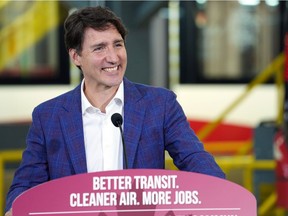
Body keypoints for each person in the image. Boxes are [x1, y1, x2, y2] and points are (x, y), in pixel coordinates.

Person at [4, 6, 225, 215]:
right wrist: (17, 206)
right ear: (76, 57)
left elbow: (195, 160)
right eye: (99, 48)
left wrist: (222, 195)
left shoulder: (160, 104)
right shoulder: (48, 116)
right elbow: (26, 185)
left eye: (117, 44)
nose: (113, 57)